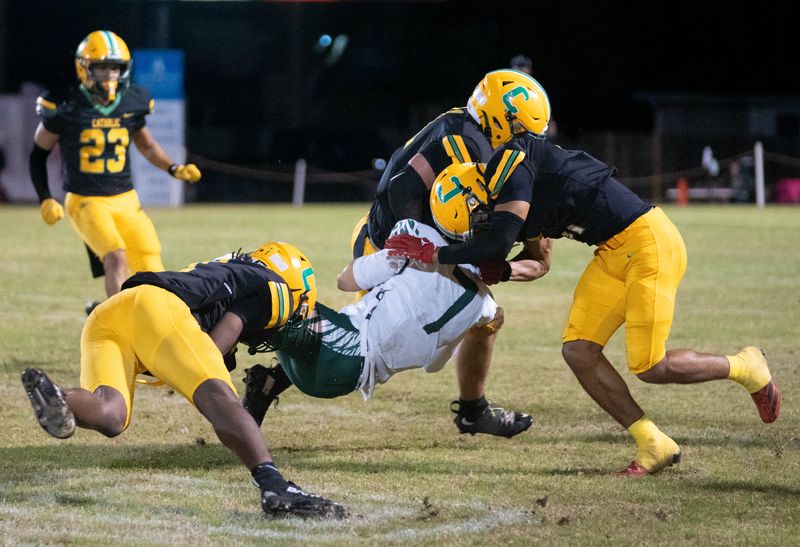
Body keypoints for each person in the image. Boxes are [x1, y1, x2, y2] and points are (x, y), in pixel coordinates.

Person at [385, 121, 782, 475]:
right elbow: (539, 262)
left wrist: (437, 254)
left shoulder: (512, 161)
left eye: (475, 220)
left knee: (651, 365)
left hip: (648, 242)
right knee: (578, 351)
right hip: (611, 252)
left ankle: (746, 366)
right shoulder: (510, 203)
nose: (478, 229)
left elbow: (498, 241)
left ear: (478, 192)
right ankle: (654, 444)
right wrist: (504, 271)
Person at [21, 242, 347, 518]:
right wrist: (208, 369)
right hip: (156, 310)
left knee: (111, 415)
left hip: (108, 314)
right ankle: (276, 487)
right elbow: (218, 343)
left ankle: (58, 394)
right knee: (218, 396)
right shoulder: (273, 288)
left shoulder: (229, 269)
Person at [242, 217, 532, 439]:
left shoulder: (418, 236)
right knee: (273, 315)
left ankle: (218, 320)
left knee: (271, 289)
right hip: (345, 378)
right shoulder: (484, 305)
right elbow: (434, 365)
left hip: (343, 346)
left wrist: (389, 261)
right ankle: (268, 383)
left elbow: (345, 282)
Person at [28, 30, 202, 313]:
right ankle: (119, 322)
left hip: (126, 199)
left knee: (150, 262)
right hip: (86, 200)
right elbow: (38, 154)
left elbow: (147, 146)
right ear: (84, 67)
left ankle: (143, 317)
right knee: (116, 256)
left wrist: (173, 168)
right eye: (101, 67)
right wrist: (45, 197)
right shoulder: (66, 104)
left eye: (115, 67)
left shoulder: (132, 101)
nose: (109, 74)